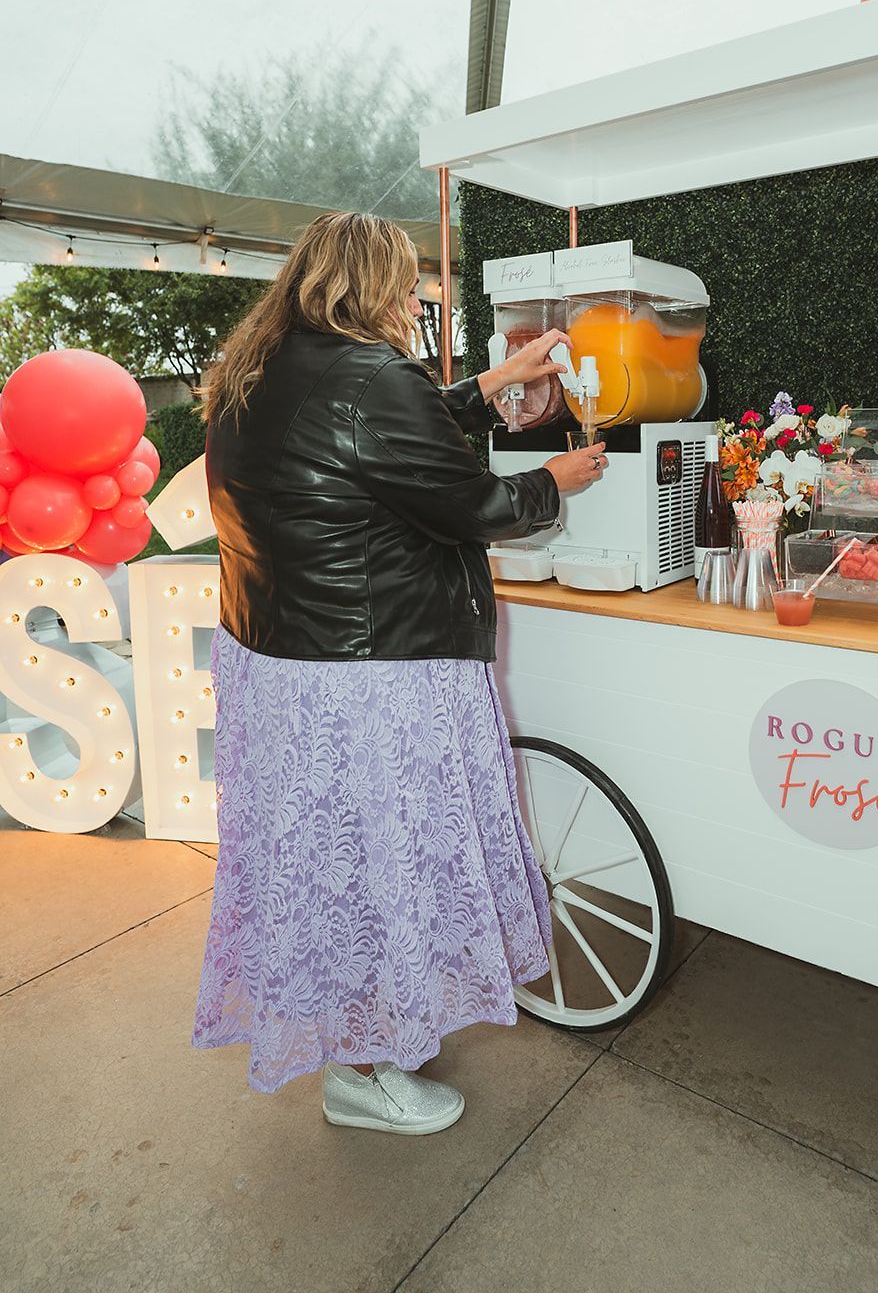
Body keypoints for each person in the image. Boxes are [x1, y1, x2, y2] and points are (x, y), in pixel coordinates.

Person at [191, 210, 607, 1135]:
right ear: (375, 286)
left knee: (328, 865)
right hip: (365, 673)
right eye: (407, 287)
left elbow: (371, 431)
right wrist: (556, 483)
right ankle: (365, 1070)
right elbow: (476, 505)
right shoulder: (367, 375)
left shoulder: (258, 369)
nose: (412, 304)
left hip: (282, 662)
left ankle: (354, 1043)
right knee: (384, 866)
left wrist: (493, 382)